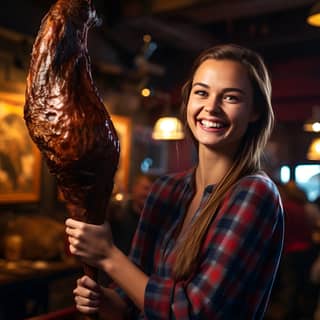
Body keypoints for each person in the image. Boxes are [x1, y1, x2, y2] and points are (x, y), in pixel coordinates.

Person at [65, 43, 284, 319]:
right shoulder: (165, 190)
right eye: (201, 93)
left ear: (255, 112)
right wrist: (107, 302)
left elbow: (193, 312)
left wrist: (108, 255)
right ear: (188, 100)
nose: (211, 107)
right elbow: (132, 299)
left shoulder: (254, 192)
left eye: (231, 97)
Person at [108, 174, 154, 255]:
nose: (148, 194)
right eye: (146, 188)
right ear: (134, 188)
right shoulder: (118, 214)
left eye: (152, 191)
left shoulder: (154, 221)